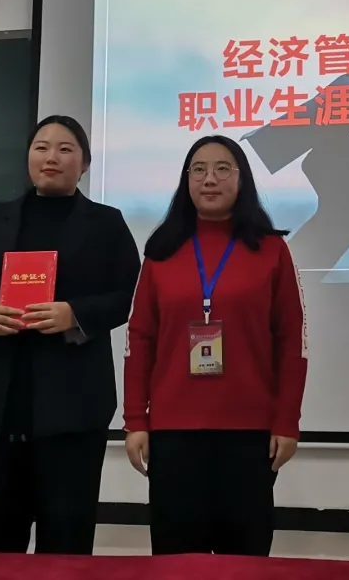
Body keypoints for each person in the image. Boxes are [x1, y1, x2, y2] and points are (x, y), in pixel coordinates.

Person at [0, 115, 141, 555]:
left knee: (65, 543)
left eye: (66, 149)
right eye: (41, 147)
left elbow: (130, 294)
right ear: (28, 156)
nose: (52, 157)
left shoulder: (106, 223)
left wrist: (75, 313)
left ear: (85, 163)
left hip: (72, 407)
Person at [123, 134, 308, 557]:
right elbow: (140, 339)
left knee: (244, 558)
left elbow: (291, 342)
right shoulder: (161, 251)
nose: (210, 179)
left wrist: (287, 421)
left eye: (223, 169)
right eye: (199, 170)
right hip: (173, 433)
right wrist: (135, 420)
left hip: (249, 434)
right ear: (186, 180)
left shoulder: (271, 250)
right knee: (176, 559)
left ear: (242, 180)